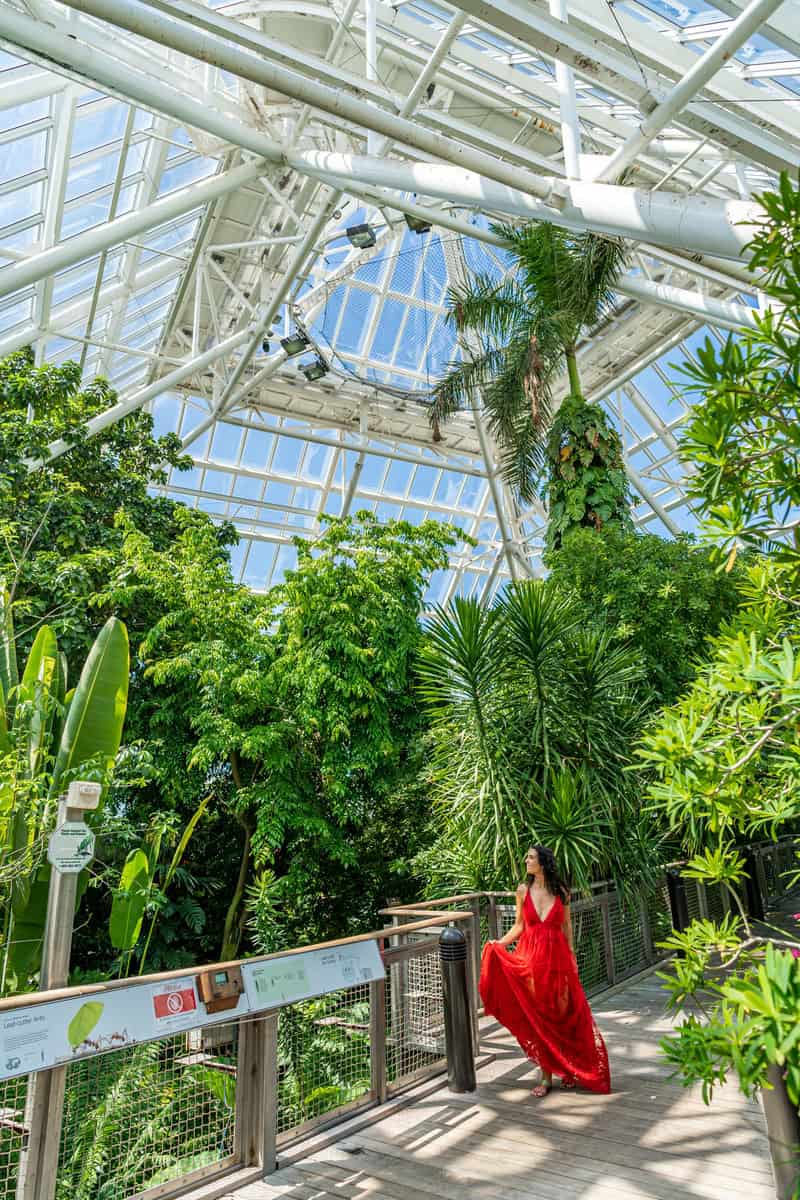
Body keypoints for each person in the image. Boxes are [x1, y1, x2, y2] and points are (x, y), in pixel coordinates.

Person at [479, 845, 611, 1096]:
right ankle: (546, 1076)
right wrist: (500, 943)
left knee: (563, 1015)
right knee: (540, 1017)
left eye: (530, 857)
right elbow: (519, 926)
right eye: (527, 856)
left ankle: (570, 1069)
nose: (526, 860)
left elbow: (566, 928)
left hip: (557, 960)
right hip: (530, 960)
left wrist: (572, 958)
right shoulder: (522, 890)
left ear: (543, 862)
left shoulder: (561, 891)